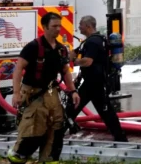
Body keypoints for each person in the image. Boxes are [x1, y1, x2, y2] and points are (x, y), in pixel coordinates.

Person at [8, 12, 81, 164]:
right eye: (54, 26)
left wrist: (72, 90)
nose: (58, 29)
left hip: (52, 93)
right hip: (33, 93)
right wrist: (16, 93)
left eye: (59, 26)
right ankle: (18, 156)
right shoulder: (33, 47)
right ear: (45, 27)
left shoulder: (61, 49)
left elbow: (66, 71)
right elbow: (18, 68)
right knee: (34, 128)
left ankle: (49, 159)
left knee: (56, 127)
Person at [67, 16, 127, 142]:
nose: (79, 27)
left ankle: (56, 136)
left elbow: (88, 62)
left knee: (73, 107)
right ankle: (120, 137)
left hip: (93, 83)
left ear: (88, 26)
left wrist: (74, 61)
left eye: (81, 25)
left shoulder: (92, 42)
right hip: (95, 82)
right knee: (106, 112)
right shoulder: (98, 39)